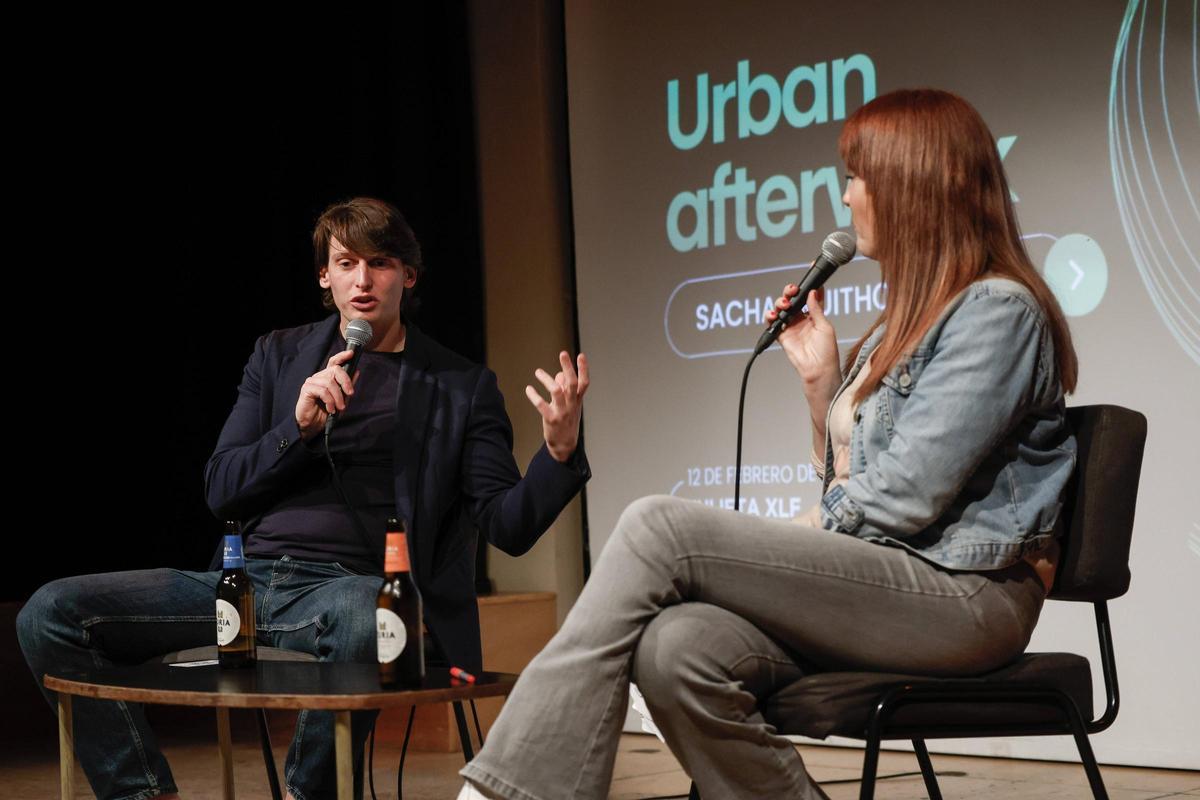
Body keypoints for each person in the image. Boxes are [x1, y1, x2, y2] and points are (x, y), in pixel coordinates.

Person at [456, 89, 1078, 800]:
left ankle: (508, 792)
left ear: (915, 185)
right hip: (895, 582)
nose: (845, 198)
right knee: (674, 650)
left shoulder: (997, 310)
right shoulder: (903, 323)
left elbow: (905, 497)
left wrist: (800, 532)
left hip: (965, 597)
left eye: (856, 177)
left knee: (660, 528)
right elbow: (858, 489)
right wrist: (824, 390)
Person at [17, 197, 590, 800]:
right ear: (326, 276)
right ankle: (142, 792)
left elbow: (508, 525)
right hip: (244, 583)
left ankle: (304, 793)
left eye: (382, 263)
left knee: (369, 613)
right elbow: (221, 487)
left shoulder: (459, 386)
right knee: (50, 613)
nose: (363, 281)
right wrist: (297, 431)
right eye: (346, 263)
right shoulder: (278, 356)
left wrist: (555, 455)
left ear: (409, 275)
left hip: (350, 588)